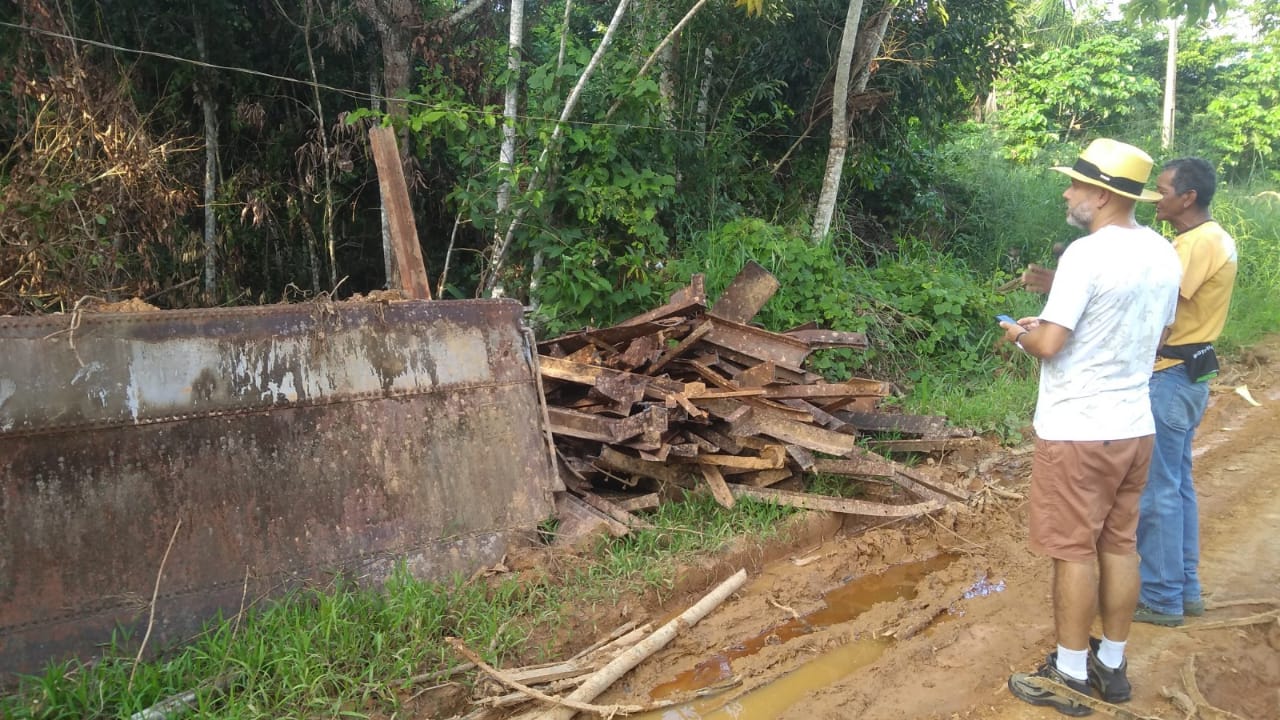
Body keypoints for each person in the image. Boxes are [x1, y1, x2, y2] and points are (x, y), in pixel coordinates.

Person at [1000, 138, 1182, 716]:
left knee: (1074, 551)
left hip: (1079, 428)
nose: (1067, 191)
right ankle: (1112, 663)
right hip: (1134, 426)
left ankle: (1070, 673)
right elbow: (1155, 336)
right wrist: (1053, 326)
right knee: (1119, 544)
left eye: (1076, 184)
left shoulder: (1085, 253)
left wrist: (1020, 333)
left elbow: (1051, 344)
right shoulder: (1161, 252)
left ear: (1101, 195)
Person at [1134, 158, 1238, 627]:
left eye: (1163, 190)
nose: (1157, 198)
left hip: (1171, 372)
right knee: (1178, 486)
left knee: (1158, 493)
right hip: (1191, 373)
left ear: (1187, 197)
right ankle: (1184, 588)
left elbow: (1161, 310)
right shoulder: (1209, 239)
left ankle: (1161, 597)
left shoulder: (1197, 244)